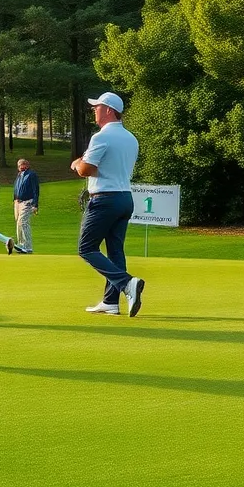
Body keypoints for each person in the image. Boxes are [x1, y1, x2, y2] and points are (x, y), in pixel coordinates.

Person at [72, 91, 145, 317]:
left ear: (109, 110)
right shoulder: (131, 138)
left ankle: (126, 283)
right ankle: (110, 302)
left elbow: (86, 169)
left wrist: (77, 164)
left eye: (97, 107)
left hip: (104, 199)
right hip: (125, 199)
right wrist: (86, 163)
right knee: (115, 251)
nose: (94, 110)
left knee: (86, 248)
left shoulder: (101, 137)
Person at [12, 158, 40, 254]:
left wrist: (35, 204)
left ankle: (27, 246)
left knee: (23, 222)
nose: (20, 167)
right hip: (17, 202)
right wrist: (14, 200)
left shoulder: (31, 174)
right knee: (18, 223)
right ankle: (21, 244)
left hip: (27, 202)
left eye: (22, 165)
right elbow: (17, 188)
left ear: (27, 165)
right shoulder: (19, 175)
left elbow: (35, 190)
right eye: (19, 165)